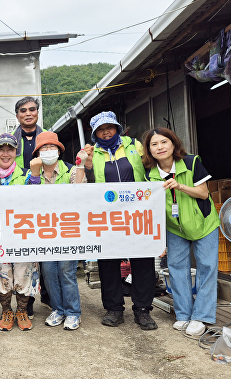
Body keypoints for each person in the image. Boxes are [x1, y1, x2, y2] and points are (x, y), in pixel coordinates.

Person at [82, 111, 158, 331]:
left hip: (137, 212)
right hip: (107, 215)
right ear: (95, 133)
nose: (106, 132)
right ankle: (114, 309)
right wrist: (84, 162)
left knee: (142, 262)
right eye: (100, 129)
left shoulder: (134, 145)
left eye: (110, 127)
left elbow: (151, 170)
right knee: (108, 263)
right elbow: (84, 182)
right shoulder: (91, 153)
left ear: (117, 127)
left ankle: (143, 310)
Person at [143, 127, 219, 336]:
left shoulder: (191, 162)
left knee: (206, 267)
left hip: (203, 223)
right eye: (154, 144)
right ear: (149, 150)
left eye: (164, 142)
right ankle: (184, 314)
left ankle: (202, 316)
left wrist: (180, 186)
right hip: (174, 227)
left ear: (173, 144)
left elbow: (204, 194)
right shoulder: (148, 173)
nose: (160, 147)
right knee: (176, 269)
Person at [29, 131, 86, 330]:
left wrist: (81, 165)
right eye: (44, 148)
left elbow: (80, 193)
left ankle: (73, 312)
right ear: (37, 153)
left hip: (67, 230)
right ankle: (58, 309)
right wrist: (35, 174)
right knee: (48, 271)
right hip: (44, 231)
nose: (48, 151)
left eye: (52, 147)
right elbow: (28, 202)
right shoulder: (32, 173)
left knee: (66, 270)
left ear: (59, 150)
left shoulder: (69, 170)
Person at [0, 133, 38, 331]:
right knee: (3, 274)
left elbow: (36, 203)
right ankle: (6, 311)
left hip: (23, 234)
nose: (5, 154)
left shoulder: (27, 175)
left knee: (24, 273)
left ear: (16, 152)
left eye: (10, 149)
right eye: (1, 149)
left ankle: (21, 310)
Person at [10, 96, 50, 317]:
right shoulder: (10, 140)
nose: (28, 113)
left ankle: (44, 297)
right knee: (24, 252)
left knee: (42, 251)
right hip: (17, 203)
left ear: (37, 113)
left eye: (32, 109)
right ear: (17, 115)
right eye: (23, 110)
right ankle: (23, 300)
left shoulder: (47, 138)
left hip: (42, 201)